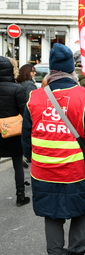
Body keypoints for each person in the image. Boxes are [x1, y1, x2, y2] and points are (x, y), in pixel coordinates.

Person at [21, 43, 85, 255]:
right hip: (76, 172)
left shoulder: (34, 98)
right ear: (72, 69)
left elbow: (27, 138)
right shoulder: (84, 96)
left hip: (44, 172)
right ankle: (76, 250)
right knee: (80, 211)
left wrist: (29, 157)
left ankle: (55, 252)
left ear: (52, 70)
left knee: (52, 216)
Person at [0, 56, 30, 207]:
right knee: (18, 164)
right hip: (13, 133)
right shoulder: (17, 89)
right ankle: (20, 196)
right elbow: (24, 113)